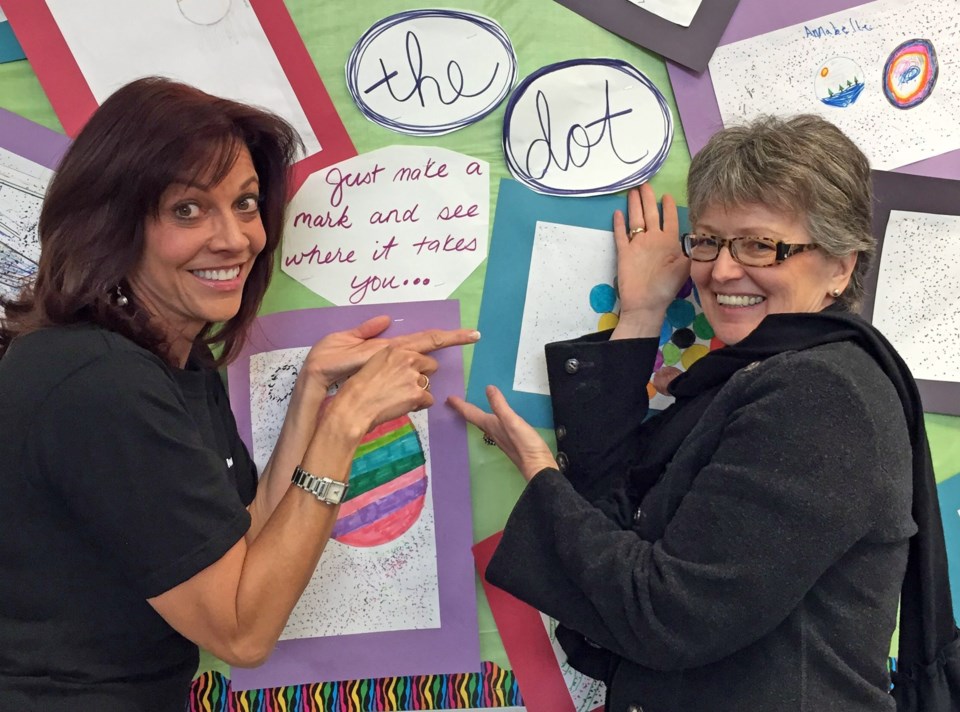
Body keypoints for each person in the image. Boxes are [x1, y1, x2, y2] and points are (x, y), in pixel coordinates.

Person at [0, 77, 478, 711]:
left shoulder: (172, 359)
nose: (235, 239)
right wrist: (348, 424)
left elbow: (245, 548)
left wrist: (314, 394)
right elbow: (242, 631)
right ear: (111, 222)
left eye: (246, 203)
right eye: (187, 210)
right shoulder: (97, 379)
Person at [449, 115, 926, 711]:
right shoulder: (757, 375)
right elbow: (619, 520)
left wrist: (543, 476)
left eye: (759, 244)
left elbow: (666, 614)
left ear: (841, 266)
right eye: (707, 240)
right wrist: (643, 313)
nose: (721, 270)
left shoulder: (820, 393)